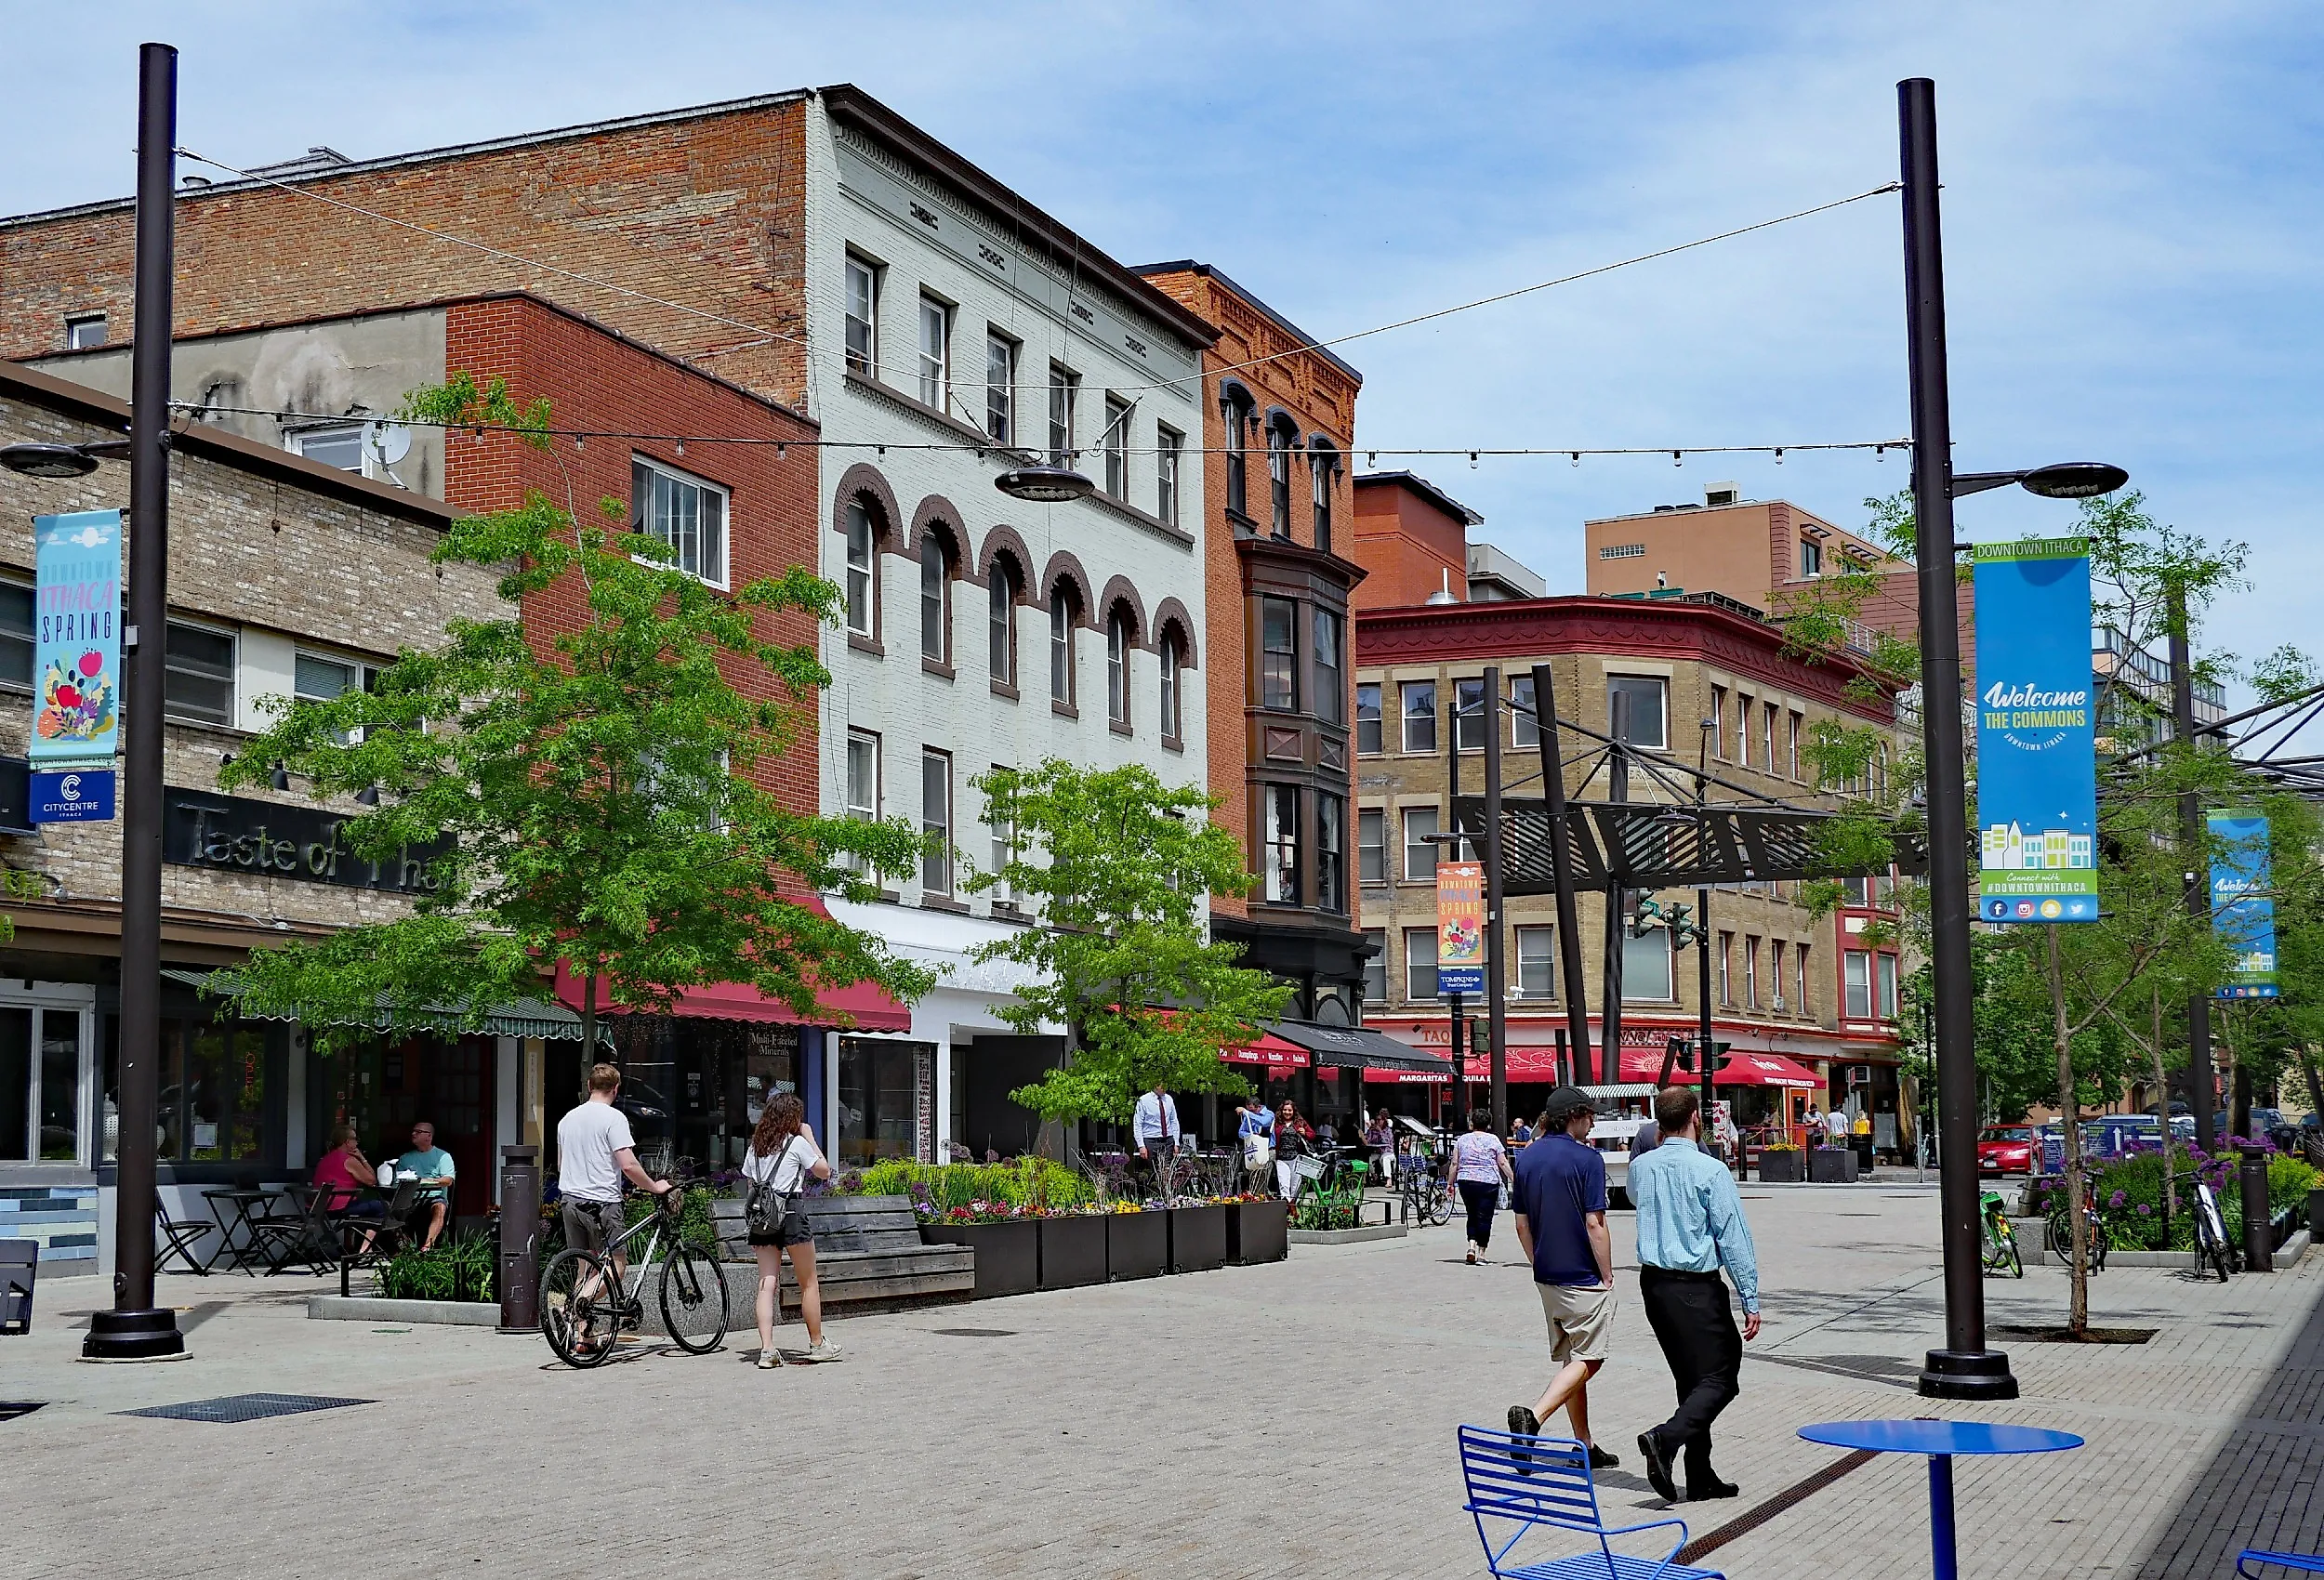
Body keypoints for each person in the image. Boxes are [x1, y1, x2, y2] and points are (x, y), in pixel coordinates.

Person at [1631, 1086, 1761, 1505]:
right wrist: (1749, 1295)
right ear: (1696, 1118)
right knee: (1721, 1376)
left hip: (1654, 1285)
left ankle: (1700, 1474)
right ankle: (1665, 1440)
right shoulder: (1711, 1170)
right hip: (1695, 1286)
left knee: (1690, 1378)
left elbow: (1635, 1199)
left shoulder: (1641, 1167)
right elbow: (1732, 1237)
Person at [1508, 1086, 1618, 1468]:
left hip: (1547, 1275)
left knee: (1573, 1359)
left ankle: (1583, 1444)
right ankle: (1534, 1417)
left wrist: (1536, 1261)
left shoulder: (1527, 1157)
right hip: (1582, 1274)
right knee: (1592, 1357)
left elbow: (1521, 1224)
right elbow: (1595, 1223)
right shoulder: (1588, 1160)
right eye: (1589, 1115)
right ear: (1574, 1116)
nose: (1593, 1122)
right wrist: (1607, 1273)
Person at [555, 1062, 680, 1348]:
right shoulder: (614, 1119)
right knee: (616, 1267)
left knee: (585, 1268)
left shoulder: (567, 1120)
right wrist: (654, 1186)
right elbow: (628, 1165)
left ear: (589, 1086)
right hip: (602, 1202)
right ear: (616, 1089)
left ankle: (583, 1338)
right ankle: (572, 1308)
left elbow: (562, 1164)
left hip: (570, 1201)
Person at [741, 1091, 838, 1368]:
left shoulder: (756, 1147)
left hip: (764, 1215)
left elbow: (751, 1184)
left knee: (766, 1283)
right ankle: (817, 1344)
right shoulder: (796, 1143)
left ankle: (767, 1350)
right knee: (808, 1282)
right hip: (792, 1212)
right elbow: (824, 1171)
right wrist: (810, 1137)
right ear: (792, 1118)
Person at [1454, 1108, 1513, 1265]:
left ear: (1472, 1123)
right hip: (1488, 1182)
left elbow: (1454, 1163)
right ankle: (1481, 1253)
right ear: (1488, 1124)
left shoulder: (1462, 1140)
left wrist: (1449, 1183)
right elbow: (1502, 1162)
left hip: (1465, 1180)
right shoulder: (1493, 1139)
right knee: (1485, 1217)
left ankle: (1471, 1246)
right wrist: (1514, 1179)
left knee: (1472, 1214)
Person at [394, 1120, 457, 1249]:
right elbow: (397, 1182)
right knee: (387, 1210)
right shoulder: (405, 1158)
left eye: (418, 1132)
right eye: (413, 1131)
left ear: (429, 1136)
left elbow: (447, 1180)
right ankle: (407, 1246)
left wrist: (424, 1181)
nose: (413, 1134)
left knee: (439, 1207)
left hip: (434, 1196)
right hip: (410, 1198)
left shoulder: (443, 1156)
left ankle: (427, 1247)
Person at [1132, 1081, 1182, 1194]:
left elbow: (1174, 1121)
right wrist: (1141, 1145)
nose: (1164, 1088)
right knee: (1153, 1170)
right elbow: (1138, 1123)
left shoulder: (1169, 1099)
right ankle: (1152, 1194)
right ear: (1155, 1086)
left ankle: (1166, 1194)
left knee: (1166, 1169)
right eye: (1161, 1086)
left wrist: (1176, 1142)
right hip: (1150, 1139)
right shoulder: (1143, 1100)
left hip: (1167, 1139)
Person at [1274, 1101, 1314, 1201]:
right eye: (1285, 1110)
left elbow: (1312, 1135)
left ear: (1293, 1111)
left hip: (1296, 1158)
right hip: (1281, 1158)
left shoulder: (1299, 1122)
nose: (1287, 1112)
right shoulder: (1276, 1122)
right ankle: (1287, 1206)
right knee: (1283, 1184)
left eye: (1289, 1110)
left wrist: (1305, 1133)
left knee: (1295, 1186)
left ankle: (1294, 1205)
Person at [1236, 1094, 1276, 1192]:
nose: (1250, 1112)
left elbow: (1263, 1122)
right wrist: (1251, 1135)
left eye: (1252, 1110)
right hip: (1254, 1149)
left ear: (1259, 1107)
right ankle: (1256, 1196)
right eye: (1248, 1110)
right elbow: (1241, 1132)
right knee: (1254, 1177)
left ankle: (1261, 1196)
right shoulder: (1248, 1115)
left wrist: (1246, 1113)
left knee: (1263, 1177)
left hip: (1267, 1149)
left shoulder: (1269, 1114)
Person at [1365, 1110, 1395, 1184]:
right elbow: (1368, 1141)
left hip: (1387, 1151)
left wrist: (1380, 1132)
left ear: (1384, 1120)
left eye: (1379, 1120)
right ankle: (1373, 1175)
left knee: (1385, 1159)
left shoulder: (1388, 1130)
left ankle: (1388, 1179)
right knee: (1367, 1159)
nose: (1377, 1122)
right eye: (1376, 1120)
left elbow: (1388, 1142)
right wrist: (1370, 1131)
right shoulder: (1373, 1130)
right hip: (1377, 1151)